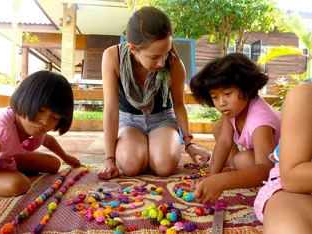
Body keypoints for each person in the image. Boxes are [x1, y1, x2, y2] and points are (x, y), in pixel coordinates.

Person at [97, 6, 210, 180]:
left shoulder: (174, 64)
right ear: (133, 49)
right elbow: (111, 110)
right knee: (130, 165)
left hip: (162, 119)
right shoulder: (113, 57)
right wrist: (110, 160)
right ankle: (144, 150)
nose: (161, 62)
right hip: (129, 122)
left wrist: (189, 143)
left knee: (164, 166)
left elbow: (179, 104)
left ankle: (152, 150)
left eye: (165, 53)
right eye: (154, 56)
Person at [189, 53, 281, 203]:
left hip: (281, 162)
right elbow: (224, 142)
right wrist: (211, 178)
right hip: (262, 155)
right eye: (215, 97)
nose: (221, 103)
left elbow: (266, 169)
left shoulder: (260, 120)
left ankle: (236, 170)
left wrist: (223, 181)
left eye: (227, 93)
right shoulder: (233, 109)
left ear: (247, 88)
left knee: (243, 161)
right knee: (218, 128)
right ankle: (234, 169)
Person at [0, 70, 80, 198]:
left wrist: (66, 157)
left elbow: (48, 140)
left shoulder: (35, 128)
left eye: (55, 117)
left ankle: (4, 170)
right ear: (22, 99)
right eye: (40, 110)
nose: (45, 122)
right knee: (18, 184)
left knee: (54, 164)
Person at [254, 80, 312, 234]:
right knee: (288, 224)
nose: (222, 103)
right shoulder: (305, 96)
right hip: (299, 188)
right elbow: (292, 175)